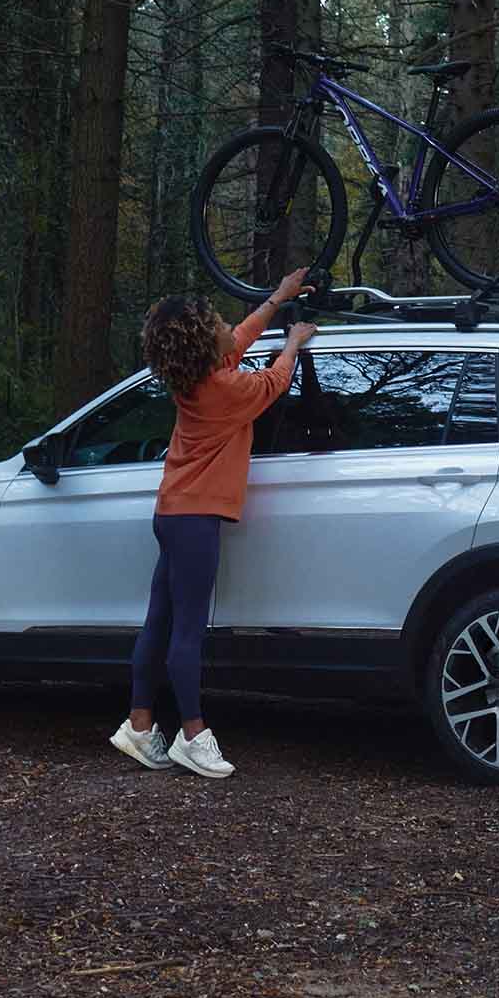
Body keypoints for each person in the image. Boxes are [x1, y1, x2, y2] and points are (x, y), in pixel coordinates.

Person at [108, 268, 316, 779]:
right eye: (219, 321)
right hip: (195, 519)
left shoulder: (198, 377)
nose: (229, 324)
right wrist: (293, 342)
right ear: (206, 344)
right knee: (187, 631)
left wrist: (276, 298)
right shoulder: (225, 389)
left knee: (159, 622)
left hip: (173, 513)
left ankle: (138, 725)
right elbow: (273, 382)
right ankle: (193, 735)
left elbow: (240, 340)